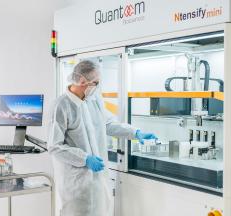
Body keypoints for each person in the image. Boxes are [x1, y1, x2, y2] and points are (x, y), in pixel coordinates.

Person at [48, 60, 156, 216]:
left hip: (99, 179)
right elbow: (54, 146)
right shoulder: (61, 106)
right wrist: (85, 158)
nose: (97, 87)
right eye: (95, 83)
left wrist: (135, 133)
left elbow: (108, 124)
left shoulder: (94, 100)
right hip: (77, 183)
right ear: (81, 81)